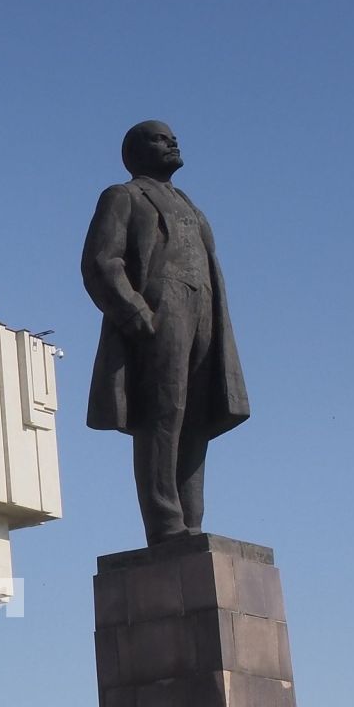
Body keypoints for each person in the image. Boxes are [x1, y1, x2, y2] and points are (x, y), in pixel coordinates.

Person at [81, 120, 249, 545]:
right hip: (161, 308)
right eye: (159, 138)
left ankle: (191, 519)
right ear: (136, 151)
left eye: (172, 137)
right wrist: (135, 311)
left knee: (197, 414)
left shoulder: (190, 204)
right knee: (164, 413)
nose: (172, 142)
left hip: (203, 309)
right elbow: (101, 261)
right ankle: (165, 521)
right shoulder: (123, 196)